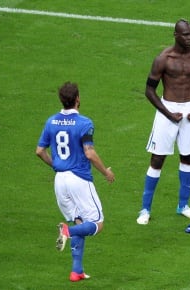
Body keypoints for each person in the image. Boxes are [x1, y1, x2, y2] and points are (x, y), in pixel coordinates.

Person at [136, 19, 190, 225]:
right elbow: (149, 90)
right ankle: (145, 209)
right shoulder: (163, 59)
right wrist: (168, 113)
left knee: (188, 158)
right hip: (167, 110)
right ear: (176, 35)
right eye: (186, 34)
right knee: (157, 159)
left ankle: (183, 205)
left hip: (189, 111)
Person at [36, 82, 115, 282]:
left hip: (60, 180)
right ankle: (67, 231)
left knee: (79, 220)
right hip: (79, 178)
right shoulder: (84, 123)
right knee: (97, 223)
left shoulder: (51, 121)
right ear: (78, 99)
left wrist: (56, 165)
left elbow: (39, 151)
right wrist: (105, 172)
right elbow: (89, 153)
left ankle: (76, 271)